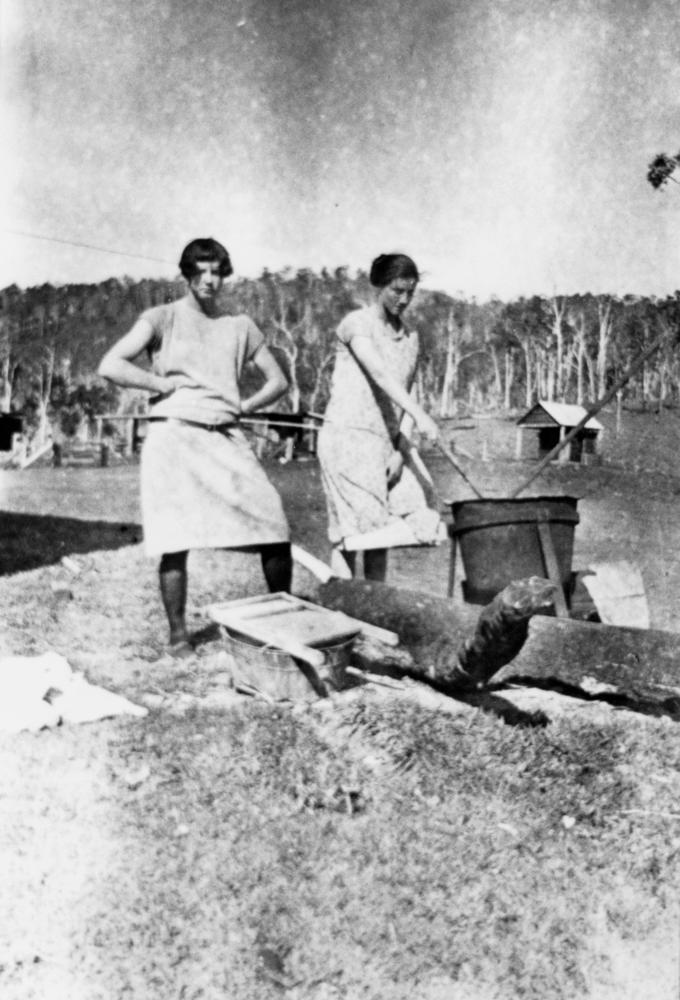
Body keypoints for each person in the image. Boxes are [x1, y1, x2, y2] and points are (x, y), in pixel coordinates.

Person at [98, 237, 292, 656]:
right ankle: (178, 635)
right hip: (173, 436)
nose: (209, 280)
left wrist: (243, 405)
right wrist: (158, 383)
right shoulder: (162, 317)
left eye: (217, 272)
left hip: (225, 436)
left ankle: (285, 623)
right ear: (186, 275)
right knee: (174, 538)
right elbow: (110, 364)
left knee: (274, 523)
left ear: (225, 275)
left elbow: (278, 381)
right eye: (201, 271)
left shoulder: (240, 325)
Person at [317, 252, 442, 582]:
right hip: (347, 440)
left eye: (409, 292)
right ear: (379, 286)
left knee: (391, 529)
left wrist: (402, 447)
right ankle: (341, 612)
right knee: (352, 535)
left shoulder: (411, 337)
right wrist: (423, 417)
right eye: (396, 290)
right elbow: (381, 375)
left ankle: (375, 610)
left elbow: (408, 391)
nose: (403, 299)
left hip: (385, 444)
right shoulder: (357, 324)